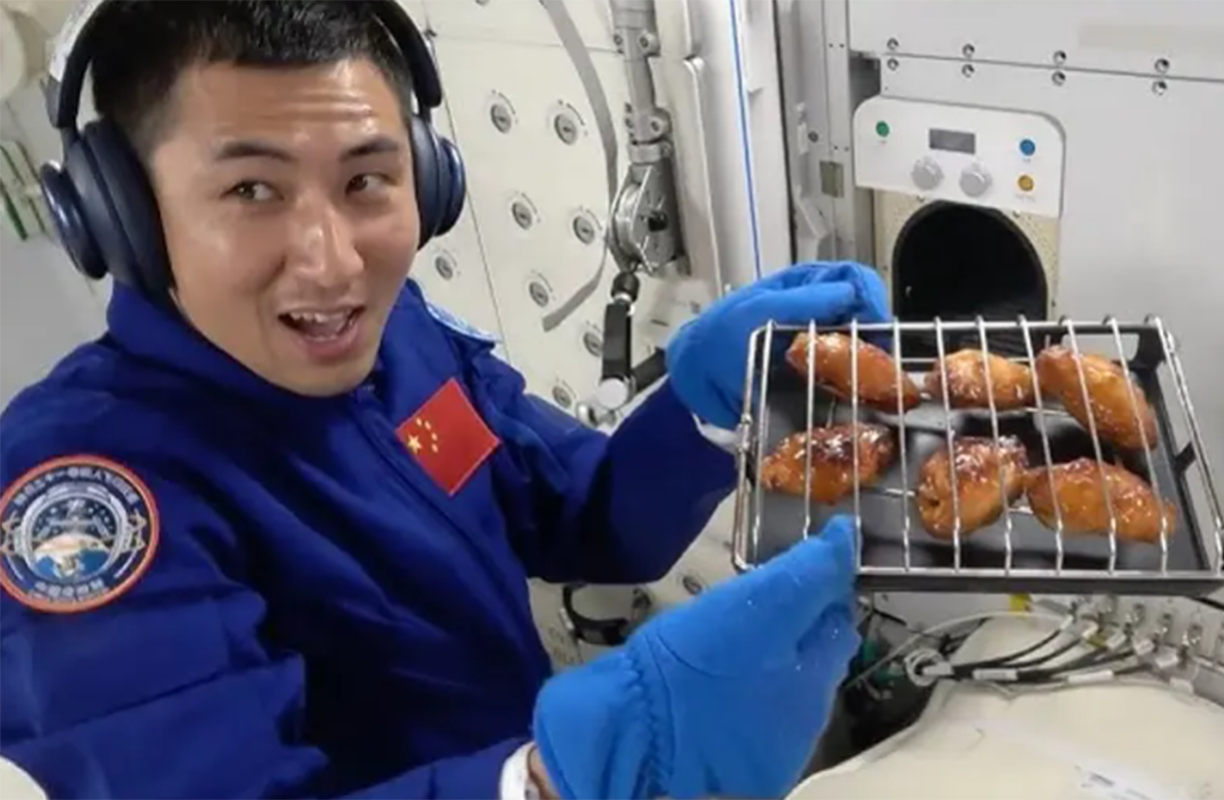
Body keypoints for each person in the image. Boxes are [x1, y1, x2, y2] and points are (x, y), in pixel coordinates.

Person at [0, 1, 892, 798]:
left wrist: (705, 410)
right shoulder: (85, 495)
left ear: (427, 181)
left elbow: (585, 517)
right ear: (121, 216)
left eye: (365, 180)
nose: (334, 263)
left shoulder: (402, 341)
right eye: (251, 190)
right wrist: (551, 783)